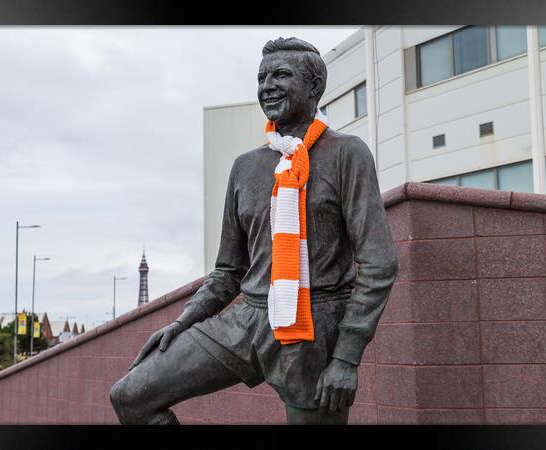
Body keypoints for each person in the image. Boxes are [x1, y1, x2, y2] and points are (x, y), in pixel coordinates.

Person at [110, 36, 398, 425]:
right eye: (261, 78)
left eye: (281, 75)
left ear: (315, 87)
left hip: (313, 324)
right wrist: (183, 323)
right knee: (129, 395)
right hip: (248, 319)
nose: (267, 86)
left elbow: (379, 264)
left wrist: (346, 356)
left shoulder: (347, 153)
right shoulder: (245, 167)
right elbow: (228, 271)